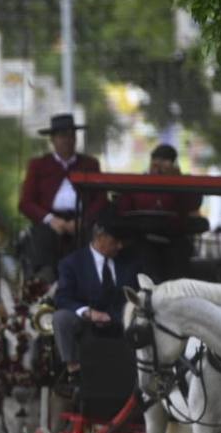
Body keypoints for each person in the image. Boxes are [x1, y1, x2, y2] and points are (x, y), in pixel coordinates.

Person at [52, 210, 140, 380]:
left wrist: (116, 316)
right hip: (88, 321)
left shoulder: (130, 263)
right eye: (115, 241)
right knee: (61, 318)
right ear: (100, 238)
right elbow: (62, 298)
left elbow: (137, 294)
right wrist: (88, 312)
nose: (120, 246)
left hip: (122, 319)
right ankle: (74, 371)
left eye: (122, 242)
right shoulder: (72, 263)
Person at [18, 113, 102, 280]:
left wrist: (83, 220)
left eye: (71, 136)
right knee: (41, 238)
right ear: (53, 140)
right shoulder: (39, 165)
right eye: (62, 136)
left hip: (81, 220)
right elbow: (26, 203)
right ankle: (44, 280)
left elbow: (100, 199)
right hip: (49, 221)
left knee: (94, 238)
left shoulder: (89, 164)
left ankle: (92, 279)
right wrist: (51, 220)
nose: (67, 140)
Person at [117, 144, 203, 282]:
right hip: (143, 237)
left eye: (164, 163)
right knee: (143, 259)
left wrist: (177, 180)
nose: (158, 168)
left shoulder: (182, 181)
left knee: (179, 260)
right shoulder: (138, 182)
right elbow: (123, 210)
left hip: (174, 239)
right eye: (156, 163)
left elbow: (193, 204)